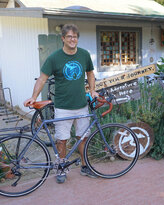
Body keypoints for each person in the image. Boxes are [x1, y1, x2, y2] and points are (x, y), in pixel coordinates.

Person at [24, 24, 98, 184]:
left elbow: (90, 73)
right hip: (63, 107)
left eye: (75, 36)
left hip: (81, 105)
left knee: (82, 137)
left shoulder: (84, 55)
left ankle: (85, 166)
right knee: (61, 140)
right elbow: (42, 78)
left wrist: (92, 91)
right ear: (63, 38)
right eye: (69, 36)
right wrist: (33, 97)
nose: (73, 39)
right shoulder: (54, 58)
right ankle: (61, 168)